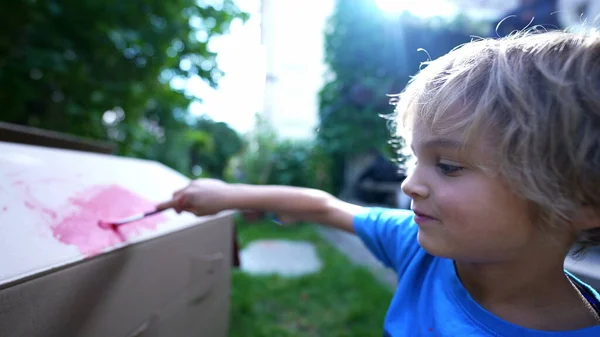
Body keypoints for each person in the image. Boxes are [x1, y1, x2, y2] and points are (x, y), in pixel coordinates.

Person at [157, 29, 600, 335]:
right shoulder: (419, 249)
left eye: (447, 166)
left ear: (578, 198)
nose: (410, 185)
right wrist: (222, 195)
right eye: (415, 159)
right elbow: (326, 207)